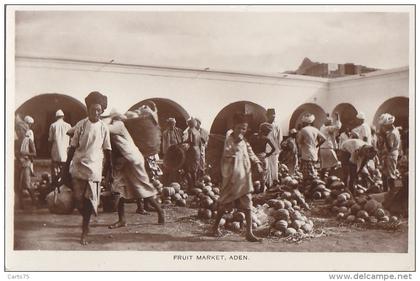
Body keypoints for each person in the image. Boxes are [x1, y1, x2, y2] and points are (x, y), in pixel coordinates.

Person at [63, 91, 113, 245]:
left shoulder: (104, 128)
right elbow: (72, 146)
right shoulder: (81, 124)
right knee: (78, 200)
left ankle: (85, 229)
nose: (96, 112)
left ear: (102, 111)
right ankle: (86, 221)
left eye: (99, 110)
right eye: (93, 109)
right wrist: (66, 165)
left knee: (89, 200)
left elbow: (107, 148)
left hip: (94, 168)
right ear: (88, 109)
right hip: (79, 166)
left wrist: (109, 169)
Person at [106, 111, 165, 228]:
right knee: (120, 190)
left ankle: (160, 212)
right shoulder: (118, 128)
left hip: (133, 161)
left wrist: (96, 122)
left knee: (142, 188)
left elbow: (105, 128)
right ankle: (122, 220)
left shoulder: (119, 125)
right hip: (125, 162)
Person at [211, 112, 263, 242]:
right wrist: (236, 144)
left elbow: (250, 153)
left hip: (244, 178)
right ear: (234, 127)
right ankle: (215, 227)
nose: (241, 131)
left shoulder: (244, 141)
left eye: (244, 128)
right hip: (231, 179)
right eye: (239, 128)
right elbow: (228, 154)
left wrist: (257, 163)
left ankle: (249, 232)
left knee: (248, 206)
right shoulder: (229, 140)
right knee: (224, 205)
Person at [296, 113, 326, 182]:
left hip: (306, 154)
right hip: (314, 154)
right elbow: (324, 138)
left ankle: (308, 188)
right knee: (313, 172)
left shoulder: (303, 130)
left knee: (307, 175)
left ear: (304, 122)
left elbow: (299, 141)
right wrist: (316, 146)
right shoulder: (315, 129)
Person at [378, 113, 401, 192]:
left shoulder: (392, 134)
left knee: (391, 175)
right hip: (391, 154)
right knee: (384, 174)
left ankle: (392, 192)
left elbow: (389, 147)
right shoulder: (395, 130)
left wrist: (384, 137)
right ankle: (385, 191)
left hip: (391, 154)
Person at [250, 122, 275, 192]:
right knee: (263, 175)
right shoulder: (266, 139)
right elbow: (273, 149)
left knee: (254, 174)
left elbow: (249, 146)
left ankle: (254, 190)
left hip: (255, 157)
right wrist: (267, 155)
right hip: (263, 157)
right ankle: (262, 191)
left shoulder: (253, 136)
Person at [48, 109, 71, 185]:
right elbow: (71, 139)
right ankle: (62, 184)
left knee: (55, 170)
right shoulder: (68, 125)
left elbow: (50, 139)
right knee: (64, 169)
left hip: (56, 150)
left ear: (56, 117)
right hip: (65, 151)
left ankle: (55, 185)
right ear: (63, 117)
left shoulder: (53, 125)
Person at [16, 128, 37, 209]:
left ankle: (35, 202)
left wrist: (25, 153)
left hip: (26, 164)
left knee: (27, 184)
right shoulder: (18, 141)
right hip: (20, 164)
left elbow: (34, 153)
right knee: (19, 186)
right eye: (18, 130)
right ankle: (21, 205)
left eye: (20, 130)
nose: (19, 132)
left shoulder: (29, 141)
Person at [265, 108, 282, 188]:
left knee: (274, 166)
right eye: (271, 117)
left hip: (275, 150)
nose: (273, 118)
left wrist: (277, 148)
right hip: (266, 150)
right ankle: (268, 183)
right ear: (267, 116)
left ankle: (275, 183)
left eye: (274, 117)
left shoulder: (277, 125)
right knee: (267, 167)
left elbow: (280, 138)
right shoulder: (264, 125)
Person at [183, 117, 201, 192]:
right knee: (194, 170)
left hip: (191, 151)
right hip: (197, 151)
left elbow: (190, 141)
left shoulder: (190, 131)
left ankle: (190, 187)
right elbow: (199, 143)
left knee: (187, 169)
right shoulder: (197, 131)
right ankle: (194, 185)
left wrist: (183, 143)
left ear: (189, 124)